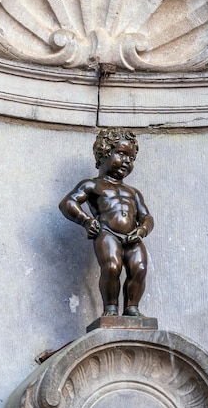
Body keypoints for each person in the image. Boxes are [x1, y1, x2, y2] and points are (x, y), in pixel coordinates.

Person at [59, 128, 153, 317]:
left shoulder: (133, 192)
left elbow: (147, 217)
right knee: (111, 266)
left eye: (131, 158)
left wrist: (142, 230)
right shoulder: (93, 185)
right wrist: (86, 220)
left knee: (140, 269)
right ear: (104, 154)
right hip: (108, 232)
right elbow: (68, 203)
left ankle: (132, 307)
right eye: (121, 154)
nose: (127, 161)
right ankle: (110, 307)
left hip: (133, 236)